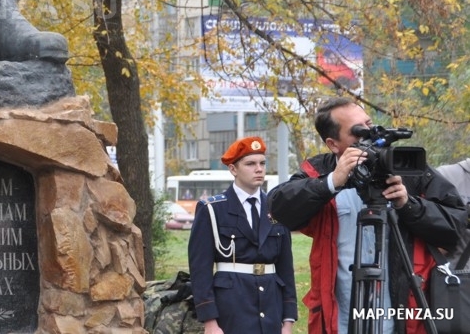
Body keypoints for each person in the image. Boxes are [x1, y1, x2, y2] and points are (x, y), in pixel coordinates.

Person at [269, 97, 466, 334]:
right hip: (340, 318)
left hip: (404, 316)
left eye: (370, 124)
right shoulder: (320, 171)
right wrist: (331, 182)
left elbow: (456, 225)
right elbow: (278, 207)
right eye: (358, 132)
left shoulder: (406, 168)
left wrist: (408, 205)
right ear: (333, 144)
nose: (370, 135)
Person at [188, 136, 297, 334]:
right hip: (232, 308)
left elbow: (286, 268)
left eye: (262, 163)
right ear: (233, 169)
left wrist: (288, 319)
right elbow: (200, 270)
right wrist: (210, 322)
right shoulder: (212, 209)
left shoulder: (277, 209)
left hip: (271, 307)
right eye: (250, 164)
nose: (259, 169)